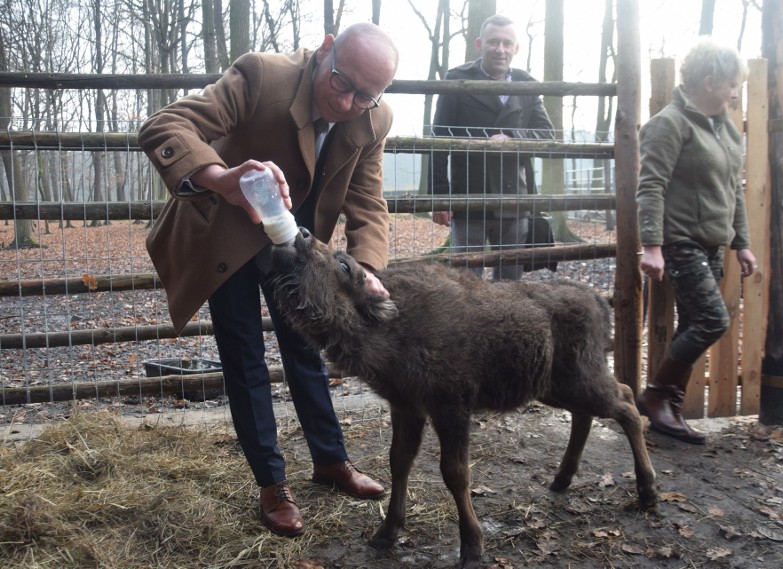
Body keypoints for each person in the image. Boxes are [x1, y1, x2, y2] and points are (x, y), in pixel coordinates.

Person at [138, 22, 398, 537]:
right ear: (325, 51)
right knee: (245, 357)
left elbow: (368, 199)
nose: (347, 104)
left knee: (305, 350)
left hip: (294, 242)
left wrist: (367, 268)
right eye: (341, 84)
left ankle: (331, 461)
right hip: (228, 229)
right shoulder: (262, 75)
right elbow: (165, 125)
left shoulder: (373, 118)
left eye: (366, 96)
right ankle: (272, 484)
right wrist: (220, 179)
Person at [636, 38, 757, 444]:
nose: (735, 93)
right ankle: (655, 396)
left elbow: (734, 189)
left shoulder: (725, 129)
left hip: (712, 244)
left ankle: (666, 406)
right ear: (710, 81)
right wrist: (652, 245)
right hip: (680, 241)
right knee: (712, 320)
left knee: (694, 323)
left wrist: (742, 242)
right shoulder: (669, 123)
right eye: (732, 85)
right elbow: (650, 186)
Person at [429, 14, 555, 280]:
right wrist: (440, 197)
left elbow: (547, 135)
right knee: (465, 280)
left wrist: (513, 137)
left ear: (516, 48)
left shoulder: (527, 84)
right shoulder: (456, 79)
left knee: (509, 281)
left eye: (507, 43)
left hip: (514, 201)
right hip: (469, 198)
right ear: (479, 44)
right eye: (493, 42)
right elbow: (437, 141)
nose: (500, 50)